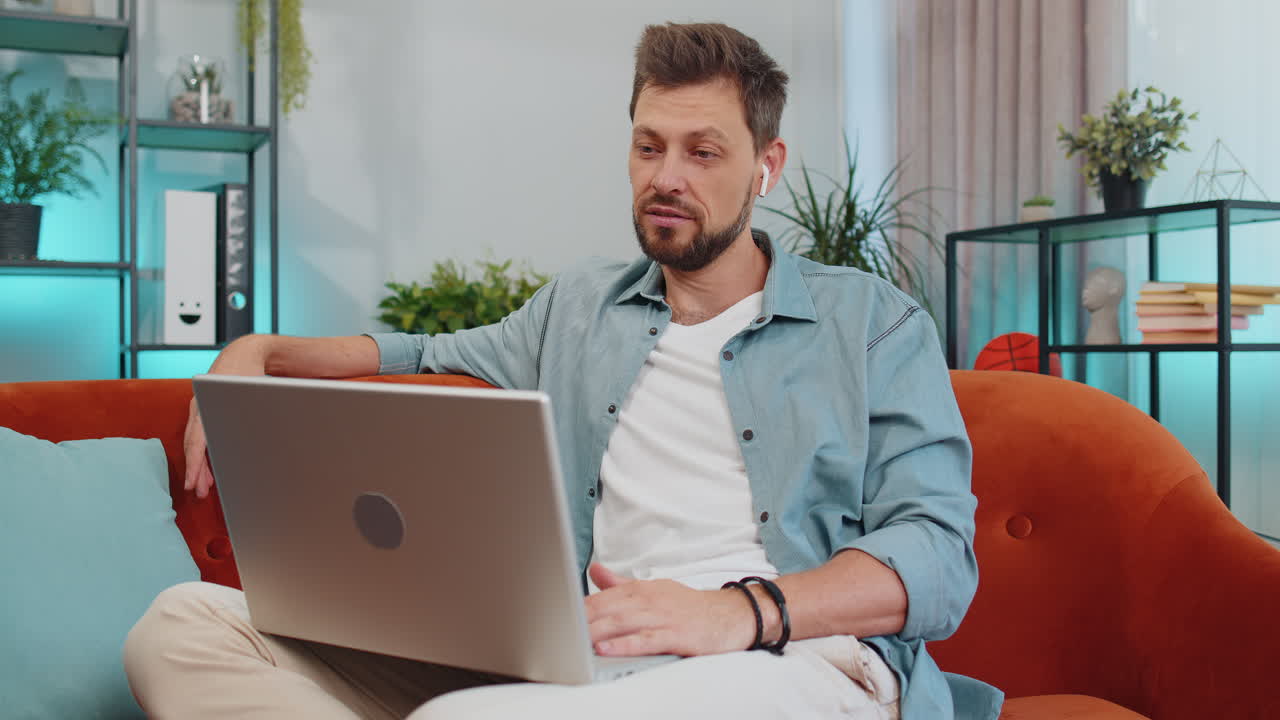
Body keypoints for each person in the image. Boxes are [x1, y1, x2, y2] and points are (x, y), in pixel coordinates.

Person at [124, 21, 1002, 720]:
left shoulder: (873, 324)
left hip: (793, 662)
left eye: (703, 153)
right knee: (180, 628)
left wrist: (734, 611)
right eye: (649, 147)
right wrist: (261, 352)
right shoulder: (580, 308)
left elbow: (937, 556)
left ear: (765, 166)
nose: (667, 178)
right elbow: (422, 354)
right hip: (584, 661)